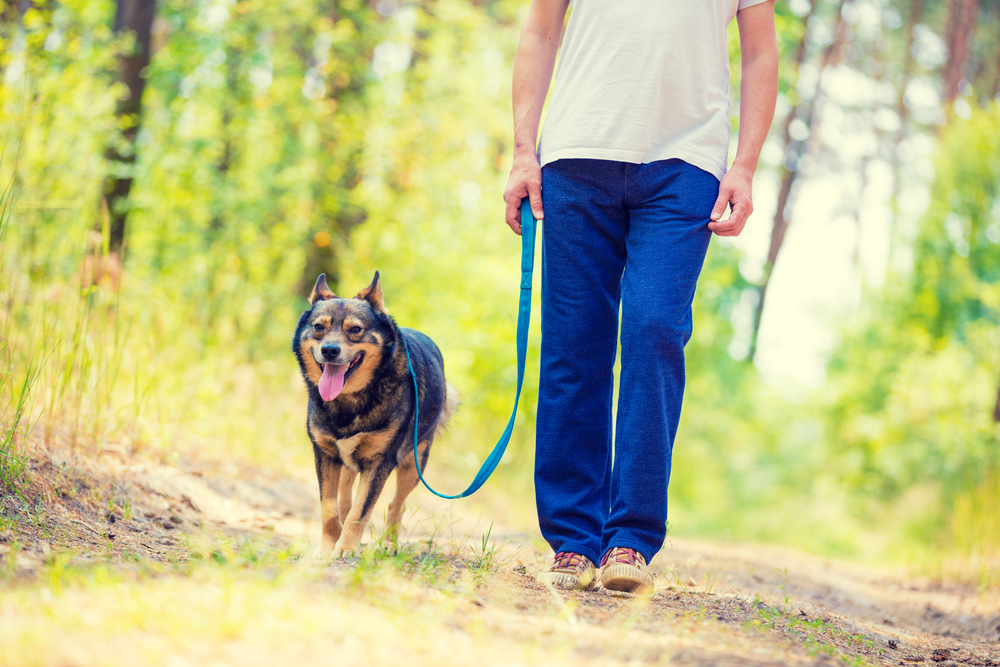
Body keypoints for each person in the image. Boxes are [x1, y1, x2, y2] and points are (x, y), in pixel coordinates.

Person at [502, 0, 779, 593]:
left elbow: (760, 53)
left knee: (655, 331)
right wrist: (524, 151)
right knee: (575, 345)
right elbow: (540, 31)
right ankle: (573, 540)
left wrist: (746, 165)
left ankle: (630, 536)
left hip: (686, 165)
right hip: (578, 152)